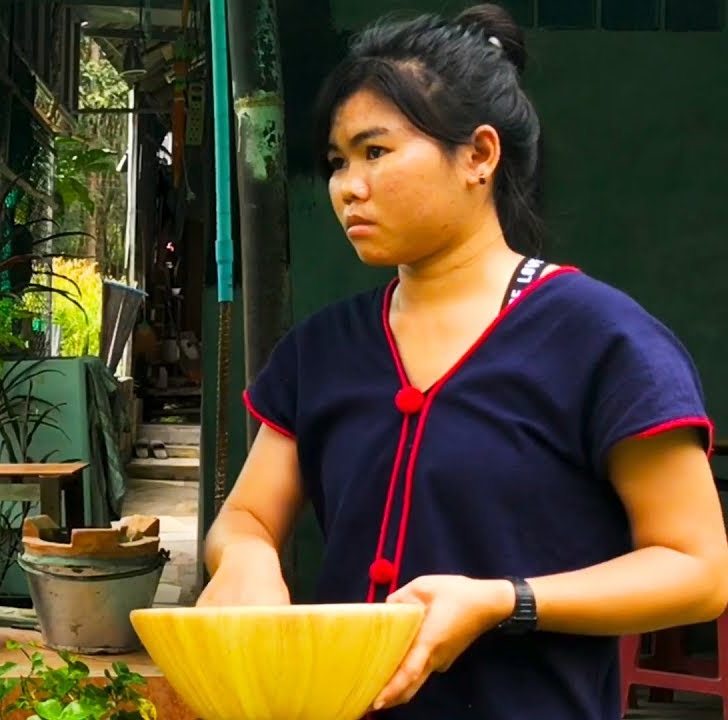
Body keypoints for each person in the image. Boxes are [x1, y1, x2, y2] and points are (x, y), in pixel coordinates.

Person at [197, 4, 728, 719]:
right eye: (337, 162)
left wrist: (503, 601)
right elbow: (247, 516)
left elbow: (697, 570)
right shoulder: (321, 349)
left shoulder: (603, 341)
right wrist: (247, 559)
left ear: (479, 155)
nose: (347, 186)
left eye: (375, 151)